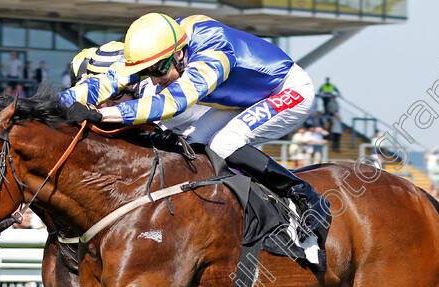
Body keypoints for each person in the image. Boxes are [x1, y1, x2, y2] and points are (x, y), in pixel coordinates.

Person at [61, 13, 329, 240]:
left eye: (158, 71)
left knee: (225, 144)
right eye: (146, 73)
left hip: (287, 91)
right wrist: (55, 105)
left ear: (178, 54)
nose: (153, 81)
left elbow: (170, 104)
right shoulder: (159, 47)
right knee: (195, 144)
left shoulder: (213, 53)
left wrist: (105, 116)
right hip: (241, 100)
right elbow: (107, 81)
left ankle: (304, 195)